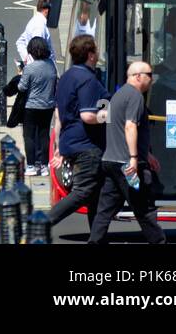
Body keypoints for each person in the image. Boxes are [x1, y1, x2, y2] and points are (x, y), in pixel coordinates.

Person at [87, 60, 165, 245]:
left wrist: (146, 154)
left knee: (105, 209)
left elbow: (119, 129)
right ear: (138, 77)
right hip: (125, 165)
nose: (152, 79)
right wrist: (134, 158)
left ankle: (94, 242)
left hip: (110, 161)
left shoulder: (118, 95)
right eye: (149, 75)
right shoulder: (135, 96)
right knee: (143, 208)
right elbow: (130, 127)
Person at [49, 34, 110, 232]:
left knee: (96, 194)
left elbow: (58, 114)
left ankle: (98, 237)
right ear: (90, 55)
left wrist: (59, 145)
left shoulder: (66, 77)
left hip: (70, 141)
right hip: (87, 145)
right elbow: (88, 116)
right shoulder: (88, 80)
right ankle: (41, 222)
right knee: (84, 192)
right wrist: (109, 114)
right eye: (96, 51)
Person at [19, 36, 58, 176]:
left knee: (29, 135)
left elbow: (22, 87)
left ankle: (30, 166)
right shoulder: (51, 66)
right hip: (48, 106)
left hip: (31, 106)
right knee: (44, 134)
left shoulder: (30, 68)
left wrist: (21, 74)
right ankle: (44, 166)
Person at [15, 0, 54, 64]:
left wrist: (27, 60)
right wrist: (31, 62)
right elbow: (38, 53)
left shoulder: (36, 21)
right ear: (47, 10)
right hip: (42, 71)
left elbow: (20, 42)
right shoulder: (39, 26)